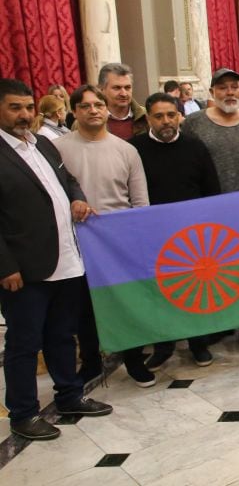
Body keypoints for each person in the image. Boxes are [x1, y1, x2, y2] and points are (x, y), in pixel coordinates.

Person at [0, 78, 113, 441]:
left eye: (28, 107)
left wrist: (77, 197)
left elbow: (70, 182)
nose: (24, 114)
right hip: (24, 268)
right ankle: (23, 413)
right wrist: (5, 266)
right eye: (15, 107)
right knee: (24, 343)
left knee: (63, 335)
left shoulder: (45, 144)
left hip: (66, 259)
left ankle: (69, 395)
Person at [54, 84, 154, 386]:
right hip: (77, 239)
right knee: (85, 306)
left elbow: (140, 201)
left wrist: (138, 238)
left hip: (118, 239)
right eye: (85, 106)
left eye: (98, 104)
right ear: (74, 111)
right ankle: (91, 362)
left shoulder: (126, 150)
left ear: (106, 108)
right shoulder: (58, 148)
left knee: (126, 301)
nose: (94, 110)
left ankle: (134, 359)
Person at [130, 93, 221, 371]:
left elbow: (211, 190)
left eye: (171, 115)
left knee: (193, 291)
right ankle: (163, 346)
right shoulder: (134, 150)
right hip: (152, 235)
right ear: (148, 119)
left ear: (179, 116)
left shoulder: (196, 147)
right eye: (159, 116)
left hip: (192, 236)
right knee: (159, 293)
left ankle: (198, 343)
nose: (166, 121)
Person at [183, 68, 239, 194]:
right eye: (222, 88)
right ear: (212, 92)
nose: (230, 92)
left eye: (235, 87)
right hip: (209, 201)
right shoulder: (193, 122)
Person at [97, 63, 147, 139]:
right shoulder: (89, 120)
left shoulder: (147, 117)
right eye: (117, 88)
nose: (123, 94)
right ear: (101, 89)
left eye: (127, 87)